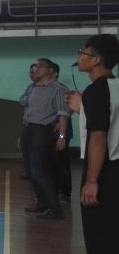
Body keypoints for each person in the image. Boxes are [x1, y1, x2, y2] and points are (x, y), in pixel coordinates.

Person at [64, 34, 119, 254]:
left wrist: (92, 180)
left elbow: (98, 136)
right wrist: (82, 107)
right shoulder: (113, 88)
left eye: (83, 52)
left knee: (101, 241)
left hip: (104, 171)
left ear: (96, 60)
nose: (79, 56)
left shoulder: (96, 91)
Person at [20, 58, 70, 219]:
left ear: (50, 70)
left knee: (39, 171)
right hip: (28, 129)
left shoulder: (58, 89)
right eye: (35, 66)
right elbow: (24, 105)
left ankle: (55, 210)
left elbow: (63, 115)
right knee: (30, 171)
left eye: (40, 66)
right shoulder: (32, 88)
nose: (36, 69)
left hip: (42, 132)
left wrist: (61, 137)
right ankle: (42, 204)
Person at [49, 61, 73, 200]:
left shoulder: (63, 89)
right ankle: (53, 189)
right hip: (50, 131)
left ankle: (64, 191)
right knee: (51, 161)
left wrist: (61, 132)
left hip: (63, 132)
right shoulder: (46, 89)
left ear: (55, 73)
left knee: (61, 161)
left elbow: (70, 109)